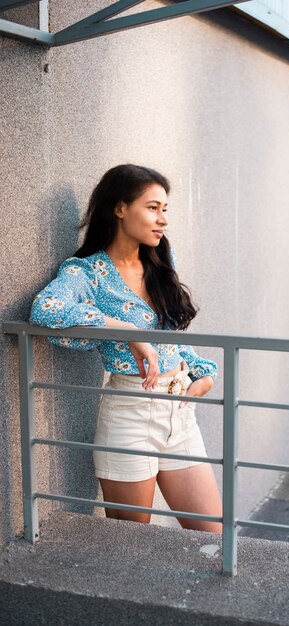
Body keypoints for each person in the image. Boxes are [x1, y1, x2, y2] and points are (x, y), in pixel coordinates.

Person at [29, 163, 222, 533]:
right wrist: (127, 329)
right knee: (133, 542)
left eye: (165, 209)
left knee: (213, 534)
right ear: (120, 208)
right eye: (152, 207)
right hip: (130, 414)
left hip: (179, 415)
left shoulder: (162, 260)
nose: (162, 219)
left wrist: (201, 372)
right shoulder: (84, 272)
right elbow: (46, 309)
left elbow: (170, 337)